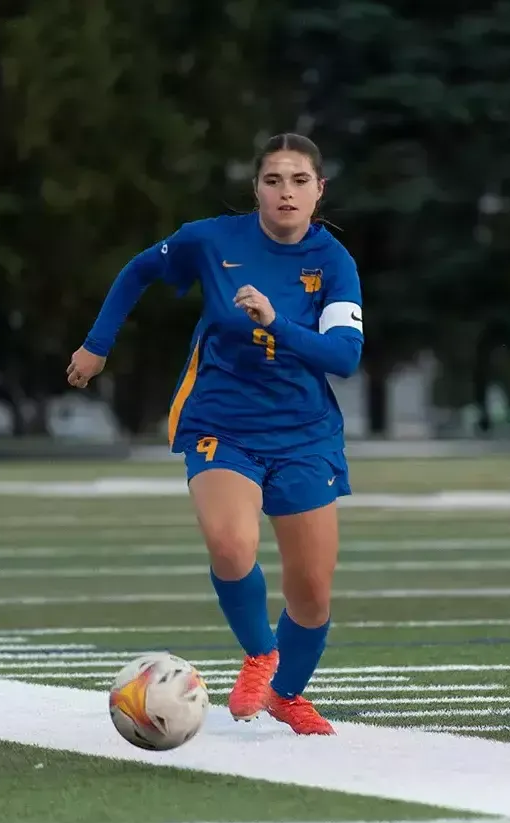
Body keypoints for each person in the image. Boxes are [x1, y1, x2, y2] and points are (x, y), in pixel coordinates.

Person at [66, 133, 363, 736]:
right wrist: (97, 345)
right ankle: (260, 653)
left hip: (305, 435)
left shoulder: (333, 262)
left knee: (312, 594)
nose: (286, 192)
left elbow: (344, 356)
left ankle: (286, 693)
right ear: (255, 188)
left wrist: (277, 323)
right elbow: (138, 270)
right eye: (274, 180)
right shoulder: (211, 239)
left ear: (319, 191)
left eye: (299, 181)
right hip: (220, 423)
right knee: (231, 545)